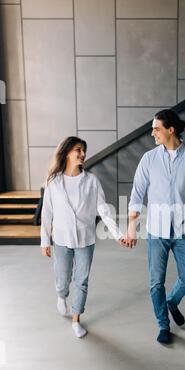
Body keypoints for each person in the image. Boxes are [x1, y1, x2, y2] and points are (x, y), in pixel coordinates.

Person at [124, 110, 185, 344]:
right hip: (157, 231)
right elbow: (137, 194)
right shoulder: (149, 159)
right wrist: (132, 227)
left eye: (156, 128)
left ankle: (172, 302)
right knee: (155, 282)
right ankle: (163, 324)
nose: (152, 133)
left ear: (171, 130)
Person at [41, 136, 127, 338]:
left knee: (82, 280)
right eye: (78, 150)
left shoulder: (91, 181)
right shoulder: (54, 182)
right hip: (61, 239)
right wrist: (45, 240)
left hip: (85, 240)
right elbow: (47, 213)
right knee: (63, 278)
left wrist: (118, 234)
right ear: (67, 152)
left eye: (84, 150)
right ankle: (61, 296)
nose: (82, 154)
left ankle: (76, 318)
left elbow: (103, 210)